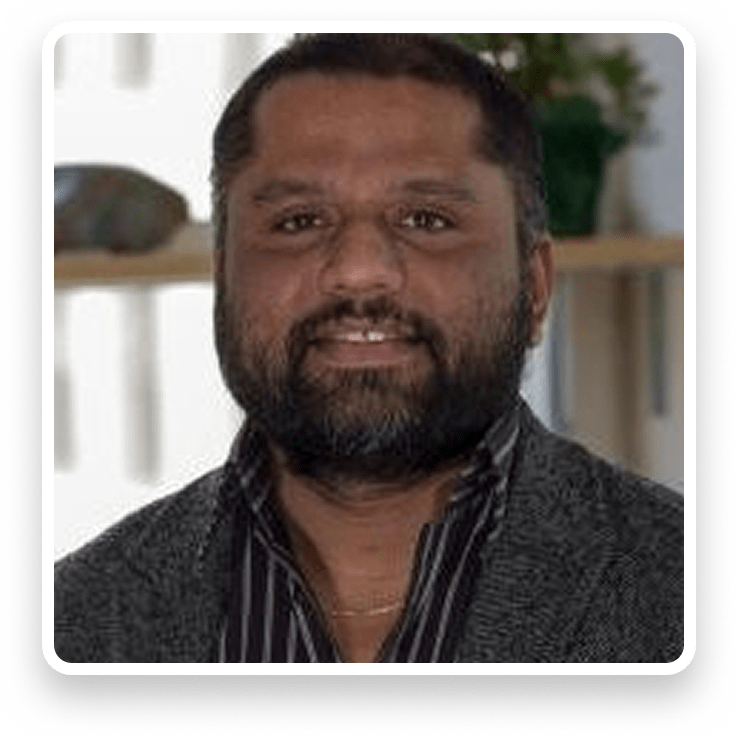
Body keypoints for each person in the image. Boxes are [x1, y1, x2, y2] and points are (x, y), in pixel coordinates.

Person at [54, 33, 684, 663]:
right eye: (299, 221)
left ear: (535, 287)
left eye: (426, 219)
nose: (358, 272)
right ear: (225, 276)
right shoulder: (61, 625)